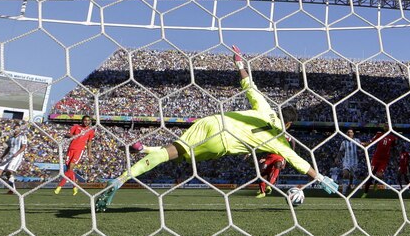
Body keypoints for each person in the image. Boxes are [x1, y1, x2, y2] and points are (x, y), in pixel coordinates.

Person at [95, 46, 338, 211]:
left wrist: (239, 62)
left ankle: (122, 177)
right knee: (177, 156)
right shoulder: (278, 140)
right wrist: (321, 178)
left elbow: (248, 84)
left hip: (212, 121)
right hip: (220, 142)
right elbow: (297, 161)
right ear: (289, 124)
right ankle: (142, 154)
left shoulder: (265, 107)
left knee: (171, 151)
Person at [55, 115, 95, 196]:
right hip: (71, 149)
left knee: (70, 167)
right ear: (82, 120)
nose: (86, 122)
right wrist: (73, 136)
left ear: (90, 122)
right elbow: (67, 134)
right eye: (85, 120)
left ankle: (59, 186)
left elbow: (89, 142)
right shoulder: (76, 126)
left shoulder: (90, 130)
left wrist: (89, 154)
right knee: (69, 170)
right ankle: (75, 187)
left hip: (79, 150)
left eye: (88, 120)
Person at [0, 124, 27, 195]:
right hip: (9, 156)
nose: (15, 130)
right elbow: (8, 148)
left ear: (20, 130)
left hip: (17, 157)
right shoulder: (11, 138)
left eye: (17, 129)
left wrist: (17, 153)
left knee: (9, 171)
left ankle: (12, 189)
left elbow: (23, 147)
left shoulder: (22, 137)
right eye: (14, 129)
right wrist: (3, 155)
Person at [361, 131, 397, 198]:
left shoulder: (393, 138)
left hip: (384, 160)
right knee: (370, 177)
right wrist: (365, 144)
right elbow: (371, 141)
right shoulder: (379, 134)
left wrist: (394, 158)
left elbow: (394, 148)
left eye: (387, 124)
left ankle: (376, 183)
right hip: (376, 159)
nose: (386, 126)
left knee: (379, 175)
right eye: (385, 124)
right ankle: (365, 193)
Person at [338, 129, 361, 195]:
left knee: (351, 175)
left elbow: (361, 146)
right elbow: (340, 151)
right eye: (348, 132)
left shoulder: (356, 140)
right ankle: (344, 190)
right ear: (346, 133)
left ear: (353, 133)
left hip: (354, 161)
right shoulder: (343, 142)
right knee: (345, 174)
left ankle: (350, 185)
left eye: (351, 132)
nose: (349, 133)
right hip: (346, 161)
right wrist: (337, 158)